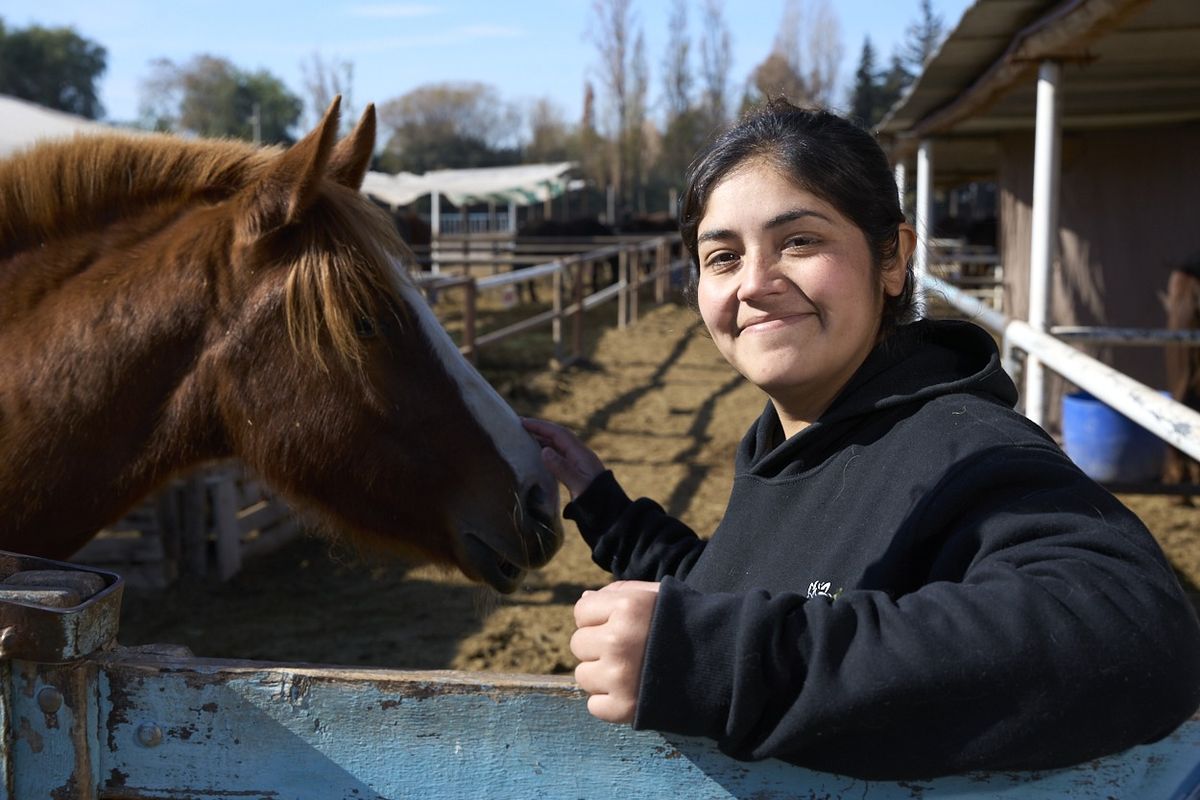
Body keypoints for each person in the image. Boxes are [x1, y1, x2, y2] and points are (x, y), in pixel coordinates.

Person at [521, 98, 1200, 781]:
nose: (754, 284)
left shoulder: (962, 452)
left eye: (800, 242)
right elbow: (752, 583)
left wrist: (720, 666)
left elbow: (1132, 630)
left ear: (893, 259)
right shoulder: (792, 442)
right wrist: (609, 509)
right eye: (722, 257)